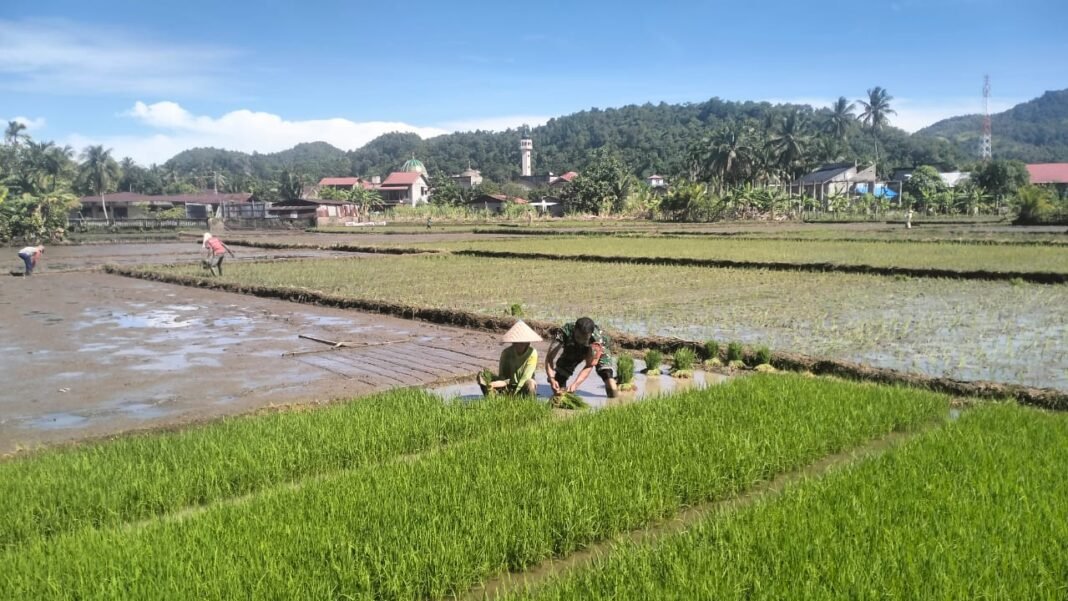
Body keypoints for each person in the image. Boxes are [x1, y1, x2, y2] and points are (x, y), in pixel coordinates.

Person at [546, 317, 619, 398]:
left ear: (590, 335)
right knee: (559, 379)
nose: (580, 341)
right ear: (574, 330)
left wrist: (575, 384)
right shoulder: (563, 333)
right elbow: (549, 358)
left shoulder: (596, 341)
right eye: (578, 337)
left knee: (606, 374)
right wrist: (551, 378)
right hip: (572, 346)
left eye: (584, 339)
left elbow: (589, 365)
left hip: (593, 347)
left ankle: (614, 399)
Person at [478, 320, 541, 397]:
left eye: (523, 343)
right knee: (482, 375)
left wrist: (515, 394)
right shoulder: (506, 353)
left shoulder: (532, 353)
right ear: (513, 342)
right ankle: (492, 397)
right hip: (508, 387)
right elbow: (503, 378)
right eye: (517, 343)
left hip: (523, 388)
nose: (520, 345)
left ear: (528, 343)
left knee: (530, 383)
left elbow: (525, 377)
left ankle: (529, 401)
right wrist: (494, 384)